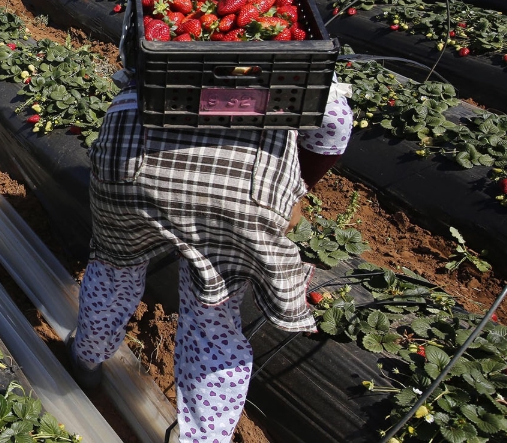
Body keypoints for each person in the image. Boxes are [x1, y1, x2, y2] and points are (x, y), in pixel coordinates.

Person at [69, 67, 352, 443]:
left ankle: (86, 358)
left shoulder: (165, 23)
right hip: (240, 186)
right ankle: (203, 437)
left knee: (115, 268)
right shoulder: (295, 52)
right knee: (212, 315)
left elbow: (132, 71)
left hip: (129, 157)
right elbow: (335, 121)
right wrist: (297, 187)